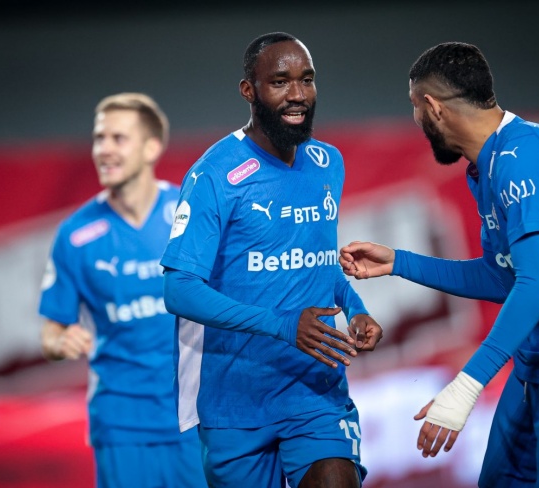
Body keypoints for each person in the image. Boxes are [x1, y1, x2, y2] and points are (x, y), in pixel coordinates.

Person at [339, 42, 539, 487]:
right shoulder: (491, 163)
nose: (415, 119)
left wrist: (466, 386)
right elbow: (503, 277)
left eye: (414, 107)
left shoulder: (520, 162)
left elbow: (536, 287)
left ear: (433, 107)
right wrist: (399, 262)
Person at [160, 32, 383, 488]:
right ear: (249, 90)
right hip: (236, 402)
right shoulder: (214, 174)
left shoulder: (328, 162)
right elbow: (178, 290)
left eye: (307, 79)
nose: (297, 94)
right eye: (280, 82)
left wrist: (356, 309)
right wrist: (282, 325)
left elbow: (317, 262)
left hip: (315, 392)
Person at [38, 93, 207, 488]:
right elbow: (51, 330)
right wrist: (60, 341)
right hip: (121, 423)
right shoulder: (75, 235)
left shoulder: (193, 212)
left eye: (118, 138)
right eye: (99, 138)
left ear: (151, 148)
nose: (104, 150)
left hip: (197, 416)